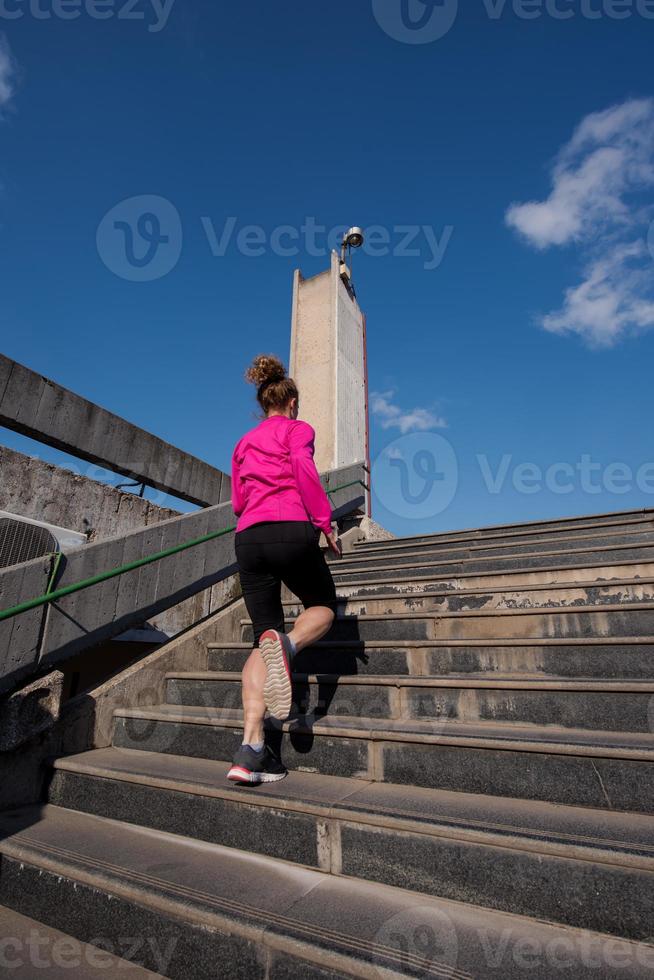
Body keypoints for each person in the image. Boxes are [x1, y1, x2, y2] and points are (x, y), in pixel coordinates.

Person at [226, 354, 342, 785]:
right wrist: (325, 524)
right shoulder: (298, 430)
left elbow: (237, 501)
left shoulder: (243, 443)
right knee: (325, 606)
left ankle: (251, 749)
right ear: (291, 401)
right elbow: (303, 469)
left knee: (261, 638)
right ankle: (289, 646)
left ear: (263, 402)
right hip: (291, 526)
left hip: (249, 537)